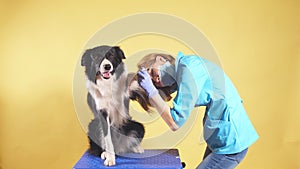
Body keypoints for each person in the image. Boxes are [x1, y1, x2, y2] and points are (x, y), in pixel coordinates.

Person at [137, 52, 259, 169]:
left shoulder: (188, 70)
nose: (155, 80)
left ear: (160, 59)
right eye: (153, 83)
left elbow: (175, 122)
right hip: (223, 140)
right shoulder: (189, 66)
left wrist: (152, 91)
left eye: (152, 72)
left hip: (231, 143)